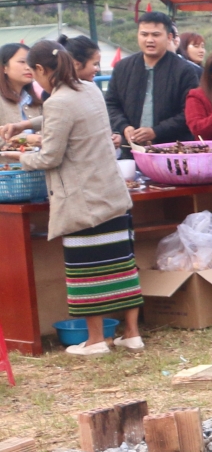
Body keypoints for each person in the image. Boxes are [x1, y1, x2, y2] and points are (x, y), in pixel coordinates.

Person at [1, 43, 142, 355]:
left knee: (87, 270)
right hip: (111, 191)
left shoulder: (58, 102)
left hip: (82, 199)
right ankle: (131, 334)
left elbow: (49, 157)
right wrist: (25, 125)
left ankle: (95, 341)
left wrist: (13, 155)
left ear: (40, 70)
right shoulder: (90, 89)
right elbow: (63, 118)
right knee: (121, 265)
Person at [105, 12, 201, 155]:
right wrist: (124, 127)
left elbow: (189, 112)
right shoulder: (123, 67)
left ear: (169, 37)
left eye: (156, 35)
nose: (149, 40)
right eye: (144, 34)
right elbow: (111, 104)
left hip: (173, 150)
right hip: (132, 149)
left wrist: (156, 131)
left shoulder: (184, 70)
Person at [0, 43, 41, 130]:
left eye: (31, 63)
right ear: (4, 68)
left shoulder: (35, 100)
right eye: (22, 62)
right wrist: (25, 139)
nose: (28, 67)